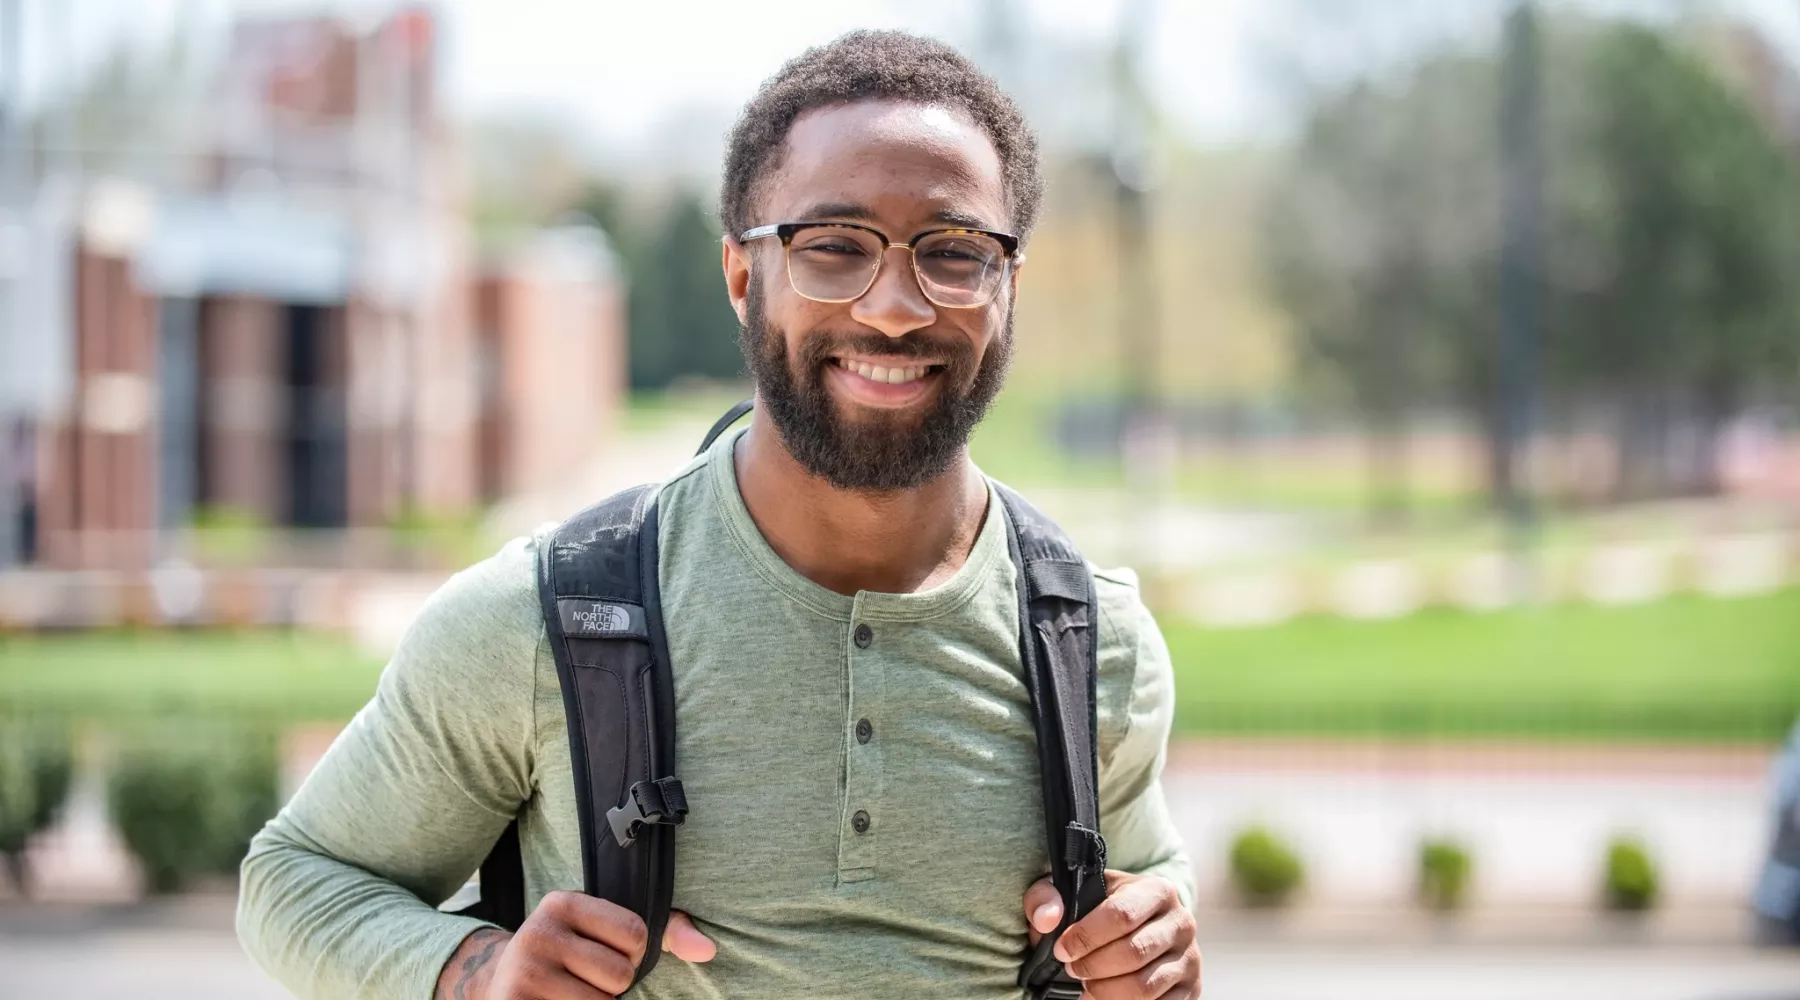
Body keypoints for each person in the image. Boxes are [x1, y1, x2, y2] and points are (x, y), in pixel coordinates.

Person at [237, 29, 1201, 1000]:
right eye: (834, 247)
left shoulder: (1094, 642)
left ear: (1009, 287)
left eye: (954, 252)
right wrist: (475, 971)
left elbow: (1148, 883)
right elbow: (299, 878)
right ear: (744, 273)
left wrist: (1154, 942)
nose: (898, 306)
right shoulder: (546, 620)